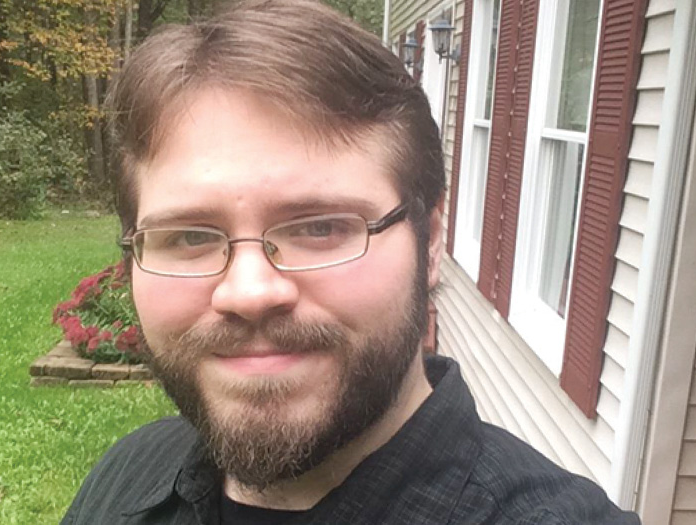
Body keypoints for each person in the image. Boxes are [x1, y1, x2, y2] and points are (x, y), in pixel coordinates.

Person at [62, 1, 641, 523]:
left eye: (320, 227)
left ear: (431, 243)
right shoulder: (126, 477)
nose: (248, 292)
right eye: (189, 235)